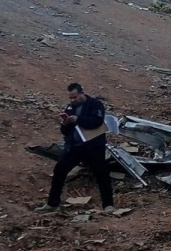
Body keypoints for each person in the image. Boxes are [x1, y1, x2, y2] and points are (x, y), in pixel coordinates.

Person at [36, 82, 115, 213]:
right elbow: (65, 131)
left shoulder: (95, 105)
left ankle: (108, 205)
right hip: (75, 146)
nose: (73, 100)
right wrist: (66, 123)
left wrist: (78, 119)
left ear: (82, 93)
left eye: (75, 97)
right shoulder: (70, 108)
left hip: (93, 146)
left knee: (101, 174)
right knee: (60, 170)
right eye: (70, 98)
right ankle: (52, 204)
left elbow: (96, 122)